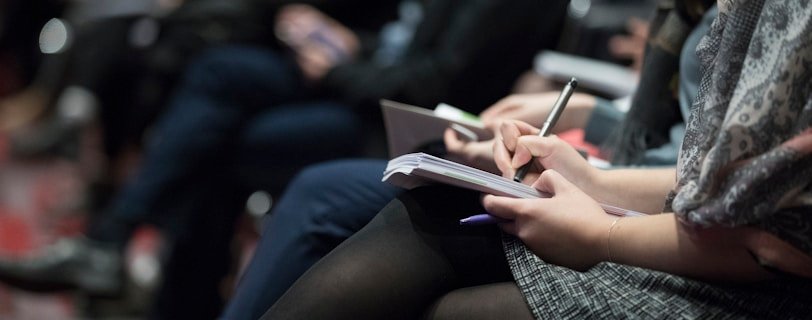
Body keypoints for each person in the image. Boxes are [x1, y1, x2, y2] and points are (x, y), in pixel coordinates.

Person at [0, 0, 568, 318]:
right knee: (216, 72)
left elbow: (435, 80)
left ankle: (135, 265)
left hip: (408, 126)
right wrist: (340, 42)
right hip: (368, 86)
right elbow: (404, 47)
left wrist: (341, 69)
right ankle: (126, 255)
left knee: (223, 145)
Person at [257, 0, 812, 318]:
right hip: (682, 217)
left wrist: (603, 232)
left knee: (445, 303)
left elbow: (772, 236)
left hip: (756, 283)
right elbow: (712, 176)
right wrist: (593, 178)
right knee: (427, 209)